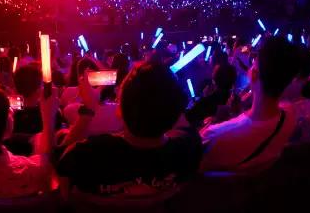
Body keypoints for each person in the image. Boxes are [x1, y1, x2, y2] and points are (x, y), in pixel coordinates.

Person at [56, 61, 201, 197]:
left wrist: (88, 109)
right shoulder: (188, 148)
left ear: (119, 110)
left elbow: (58, 168)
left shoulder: (85, 154)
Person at [200, 37, 300, 173]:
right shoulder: (291, 115)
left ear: (254, 74)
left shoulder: (213, 136)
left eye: (253, 63)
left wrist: (219, 123)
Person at [186, 62, 237, 127]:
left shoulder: (207, 101)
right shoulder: (233, 98)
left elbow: (189, 117)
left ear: (214, 80)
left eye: (213, 72)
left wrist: (203, 97)